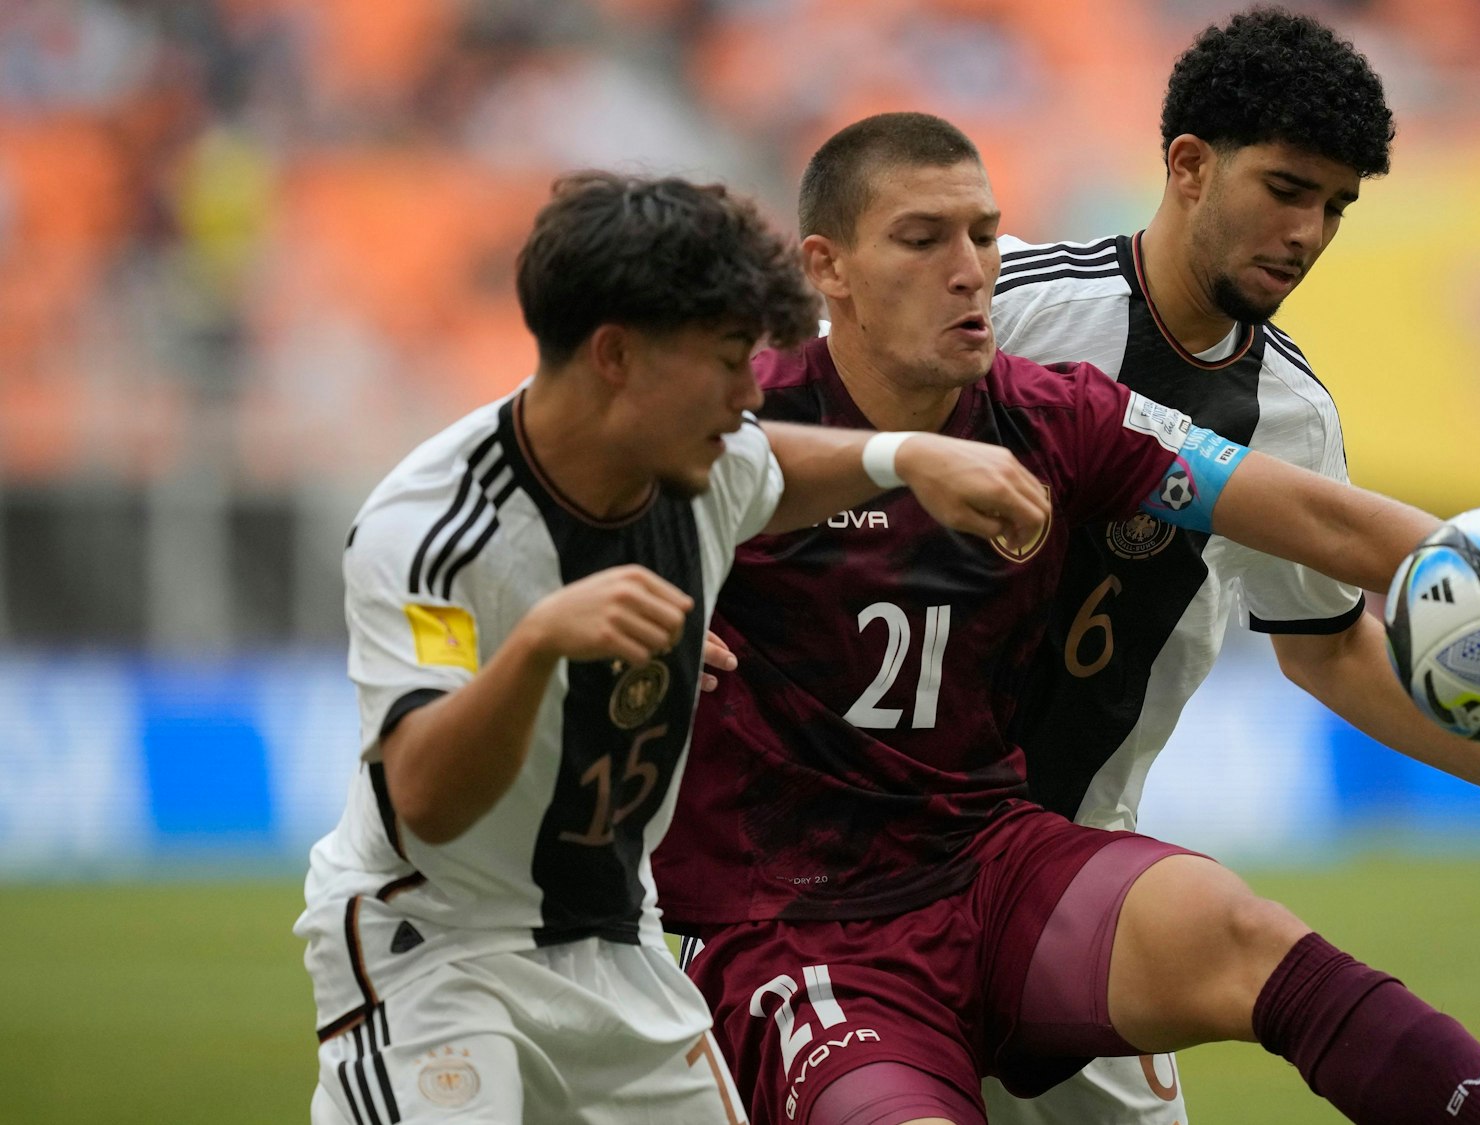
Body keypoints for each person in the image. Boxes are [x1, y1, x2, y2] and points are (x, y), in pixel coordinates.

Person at [653, 113, 1480, 1125]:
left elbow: (1311, 519)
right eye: (923, 240)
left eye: (980, 233)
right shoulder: (726, 419)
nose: (970, 267)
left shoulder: (1057, 409)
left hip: (1003, 859)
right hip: (794, 927)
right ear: (827, 268)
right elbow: (551, 511)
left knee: (1243, 932)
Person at [984, 11, 1480, 1125]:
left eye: (1334, 206)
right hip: (860, 848)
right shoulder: (1015, 316)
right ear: (1187, 165)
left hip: (1078, 875)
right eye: (1285, 188)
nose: (1307, 232)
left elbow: (1328, 651)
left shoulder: (1289, 415)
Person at [295, 170, 1052, 1125]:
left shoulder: (700, 468)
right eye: (729, 359)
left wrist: (903, 457)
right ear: (616, 354)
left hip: (618, 939)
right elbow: (423, 801)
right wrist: (538, 650)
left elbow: (772, 464)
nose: (750, 393)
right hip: (436, 945)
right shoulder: (432, 526)